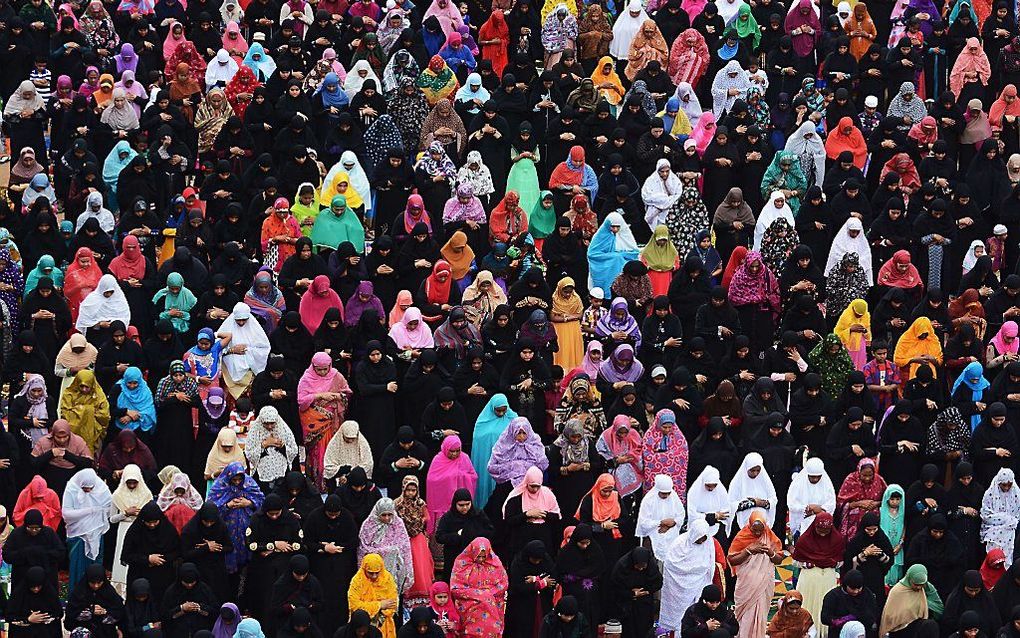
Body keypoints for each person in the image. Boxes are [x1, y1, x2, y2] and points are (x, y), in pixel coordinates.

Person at [728, 511, 785, 638]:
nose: (758, 534)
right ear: (750, 525)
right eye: (755, 530)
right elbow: (732, 560)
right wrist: (749, 550)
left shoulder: (770, 536)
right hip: (747, 583)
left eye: (761, 530)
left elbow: (779, 559)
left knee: (761, 611)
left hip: (764, 583)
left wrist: (770, 553)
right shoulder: (742, 536)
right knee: (745, 615)